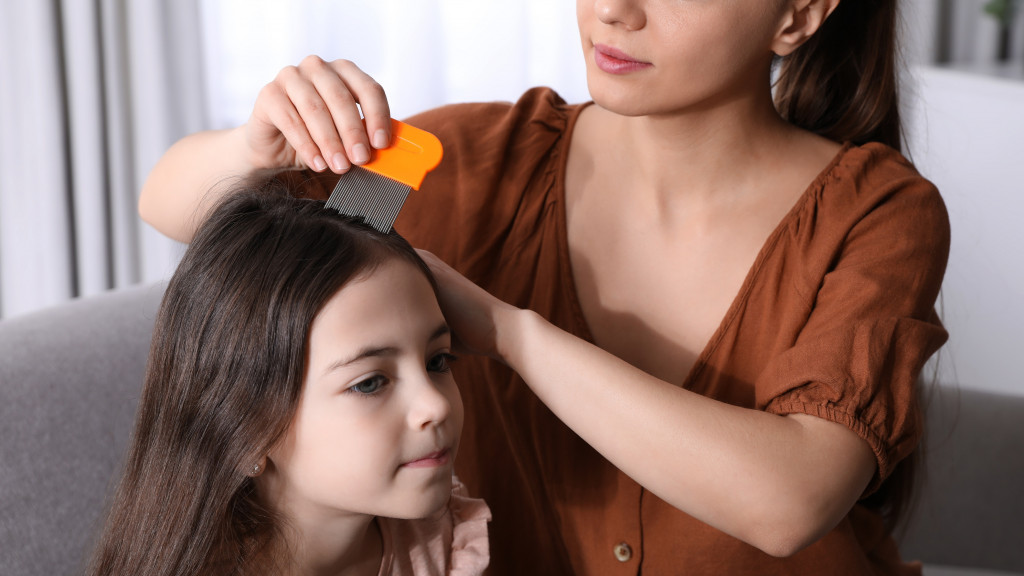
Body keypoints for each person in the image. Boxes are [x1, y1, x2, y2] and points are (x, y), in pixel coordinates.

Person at [138, 0, 950, 574]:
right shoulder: (468, 162)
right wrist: (256, 143)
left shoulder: (879, 212)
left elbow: (791, 503)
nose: (613, 11)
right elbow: (180, 209)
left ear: (800, 13)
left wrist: (508, 331)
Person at [87, 179, 490, 576]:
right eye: (369, 383)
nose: (435, 405)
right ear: (248, 433)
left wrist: (509, 331)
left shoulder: (439, 539)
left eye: (438, 361)